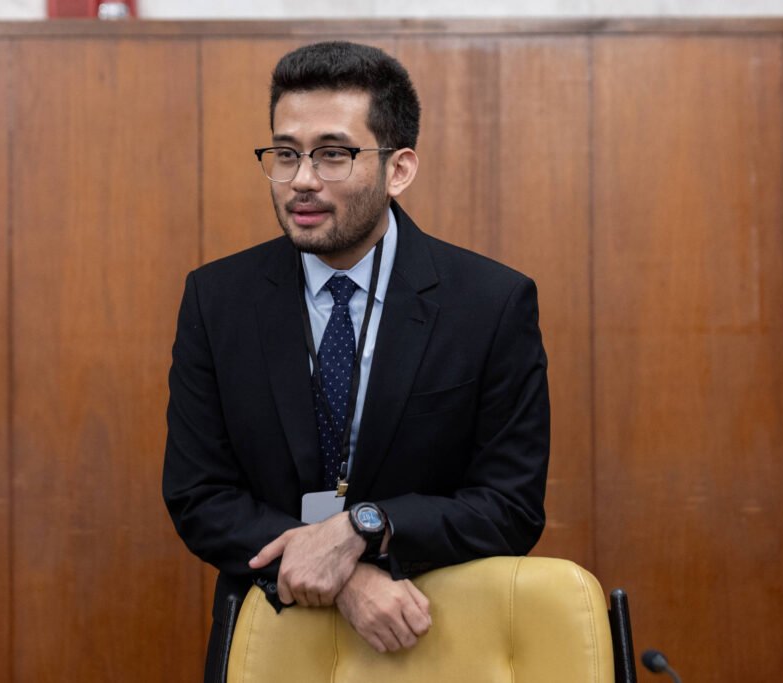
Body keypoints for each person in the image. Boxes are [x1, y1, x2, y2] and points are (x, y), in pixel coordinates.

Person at [162, 41, 550, 682]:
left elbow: (510, 507)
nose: (302, 180)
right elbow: (198, 495)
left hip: (426, 634)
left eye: (333, 154)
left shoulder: (490, 303)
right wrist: (343, 576)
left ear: (399, 169)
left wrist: (367, 528)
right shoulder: (217, 298)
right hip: (271, 635)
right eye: (286, 154)